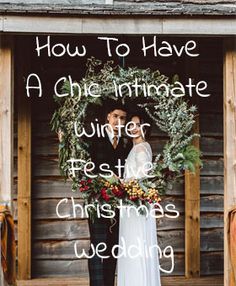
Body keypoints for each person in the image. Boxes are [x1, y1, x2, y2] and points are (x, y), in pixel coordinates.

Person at [87, 102, 132, 286]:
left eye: (122, 118)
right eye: (115, 116)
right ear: (108, 116)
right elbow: (86, 168)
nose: (118, 121)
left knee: (113, 247)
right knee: (98, 246)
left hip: (118, 202)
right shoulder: (94, 138)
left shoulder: (125, 144)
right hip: (97, 200)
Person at [117, 112, 161, 286]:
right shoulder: (137, 147)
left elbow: (142, 177)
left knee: (135, 242)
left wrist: (121, 182)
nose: (133, 128)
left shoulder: (142, 148)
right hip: (131, 202)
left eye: (137, 124)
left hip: (136, 203)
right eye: (131, 125)